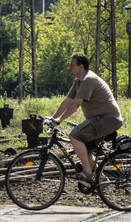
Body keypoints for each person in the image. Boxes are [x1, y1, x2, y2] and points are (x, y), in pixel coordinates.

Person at [48, 53, 123, 184]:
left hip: (107, 119)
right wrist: (52, 118)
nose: (69, 68)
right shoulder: (79, 82)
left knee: (75, 135)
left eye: (72, 65)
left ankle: (88, 172)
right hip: (100, 119)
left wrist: (60, 120)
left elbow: (76, 104)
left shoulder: (88, 80)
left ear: (81, 66)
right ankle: (102, 180)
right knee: (86, 151)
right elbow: (67, 101)